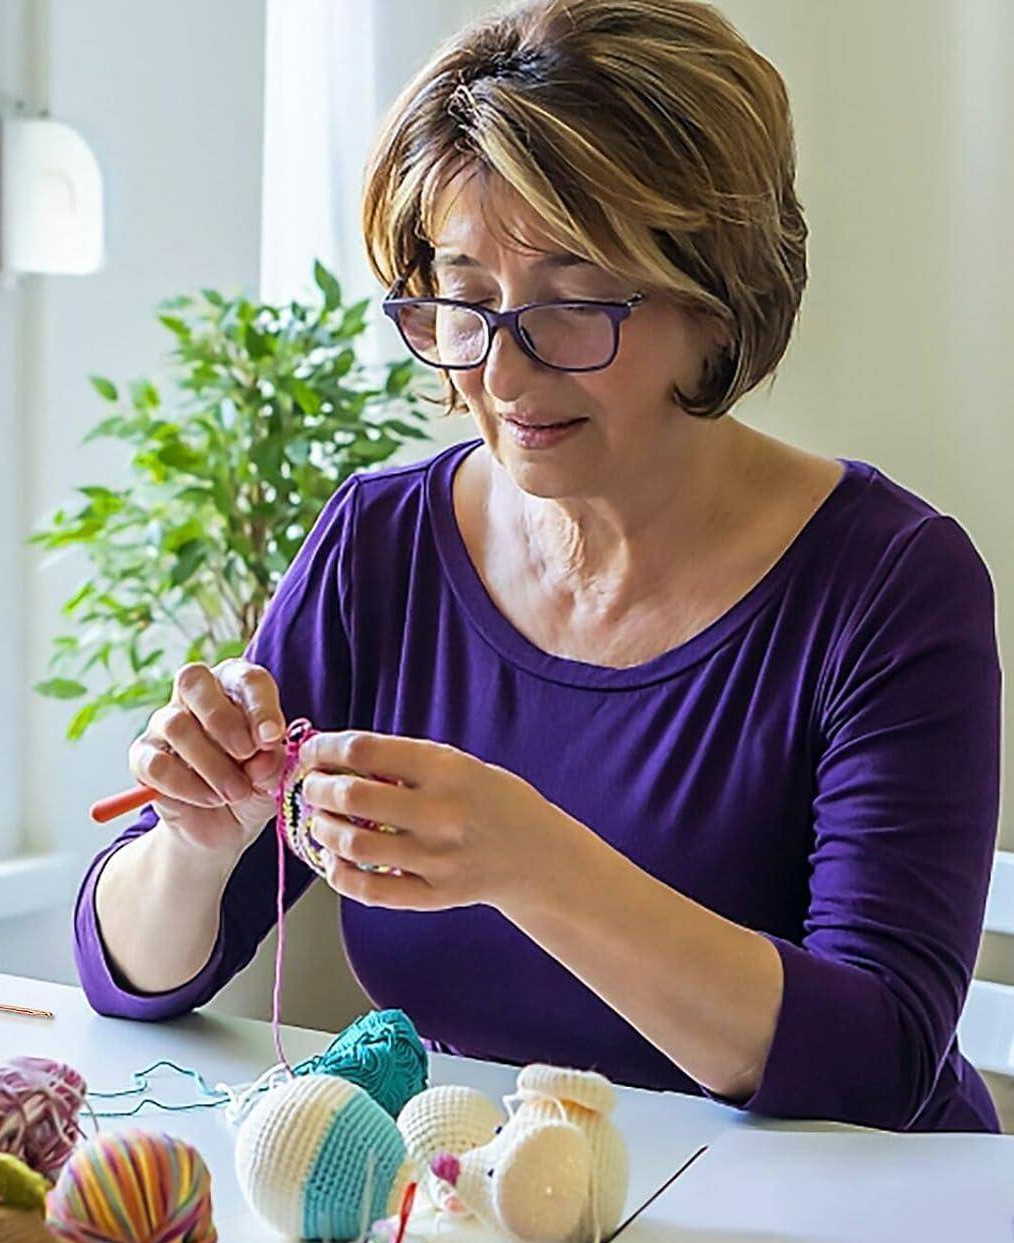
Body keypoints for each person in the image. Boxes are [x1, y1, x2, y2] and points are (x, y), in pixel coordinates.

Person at [73, 0, 1001, 1132]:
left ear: (720, 300)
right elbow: (132, 974)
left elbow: (880, 1061)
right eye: (463, 301)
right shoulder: (382, 548)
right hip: (508, 1231)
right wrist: (195, 844)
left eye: (569, 306)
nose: (504, 375)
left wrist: (532, 862)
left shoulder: (890, 585)